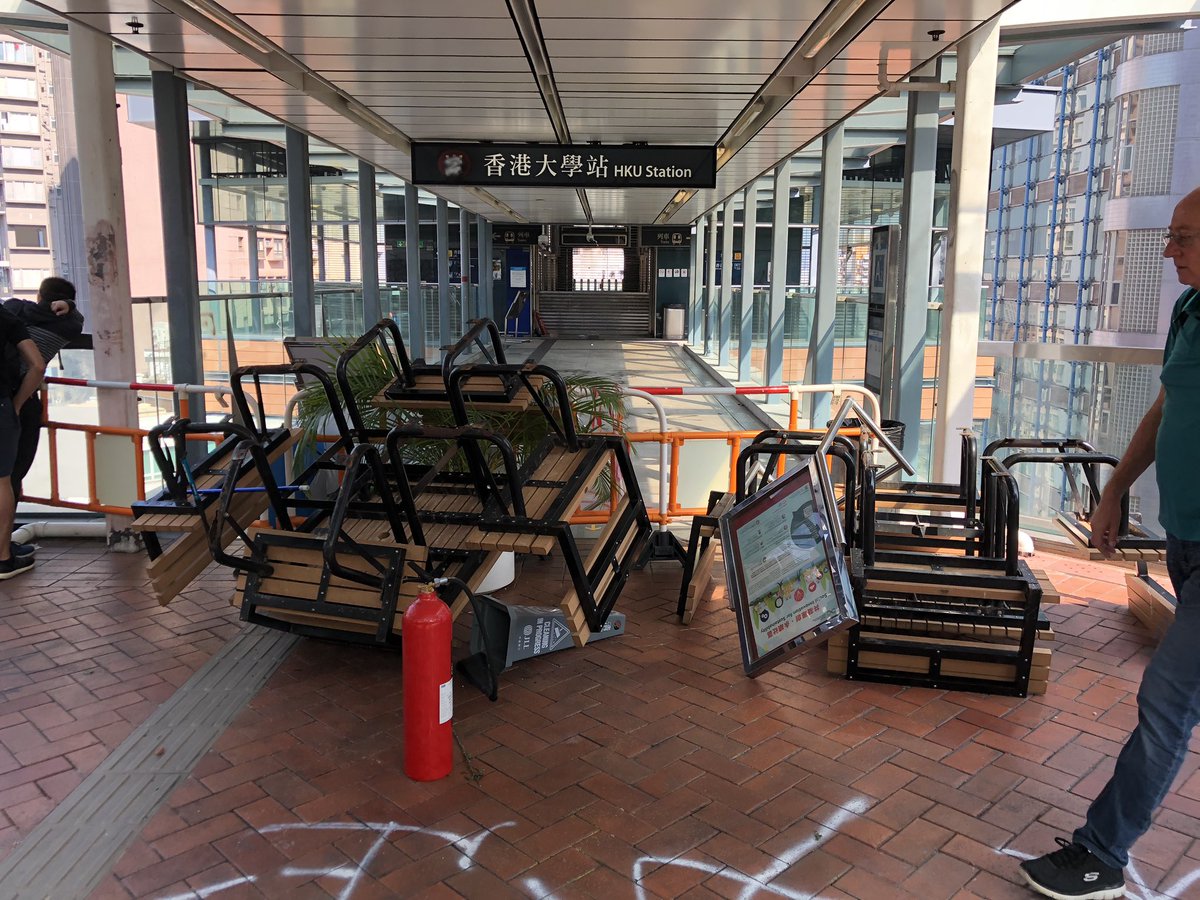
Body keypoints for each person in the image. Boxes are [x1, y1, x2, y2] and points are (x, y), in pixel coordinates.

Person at [1020, 187, 1200, 899]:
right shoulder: (1189, 310)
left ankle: (1101, 853)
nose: (1168, 249)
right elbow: (1166, 406)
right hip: (1184, 540)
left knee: (1167, 700)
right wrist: (1115, 490)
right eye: (1170, 234)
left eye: (1184, 236)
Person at [3, 277, 84, 506]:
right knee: (13, 475)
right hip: (25, 400)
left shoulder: (14, 311)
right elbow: (38, 367)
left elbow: (15, 306)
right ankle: (6, 529)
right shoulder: (69, 328)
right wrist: (69, 306)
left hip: (5, 394)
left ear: (40, 296)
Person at [0, 304, 46, 580]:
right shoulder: (5, 317)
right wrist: (17, 404)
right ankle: (3, 558)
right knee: (2, 481)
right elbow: (37, 365)